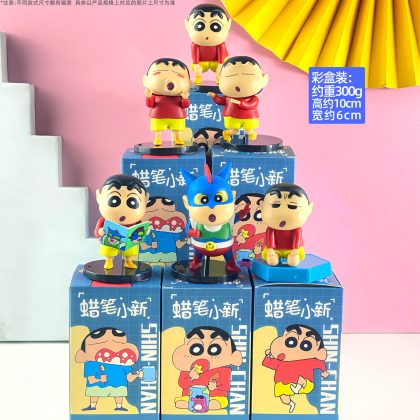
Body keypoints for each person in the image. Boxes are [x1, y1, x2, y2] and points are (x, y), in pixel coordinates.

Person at [263, 324, 330, 413]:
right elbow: (267, 363)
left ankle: (297, 387)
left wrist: (324, 372)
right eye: (291, 341)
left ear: (319, 352)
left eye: (306, 345)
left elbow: (320, 363)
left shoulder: (308, 361)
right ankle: (291, 403)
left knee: (301, 379)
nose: (296, 348)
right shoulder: (281, 362)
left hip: (305, 385)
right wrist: (268, 356)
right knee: (283, 397)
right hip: (283, 384)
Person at [173, 326, 243, 410]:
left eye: (215, 349)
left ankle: (211, 404)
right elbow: (182, 384)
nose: (204, 354)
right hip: (191, 396)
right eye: (195, 348)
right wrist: (190, 377)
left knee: (217, 402)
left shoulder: (224, 370)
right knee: (182, 401)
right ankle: (189, 403)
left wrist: (216, 386)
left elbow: (226, 386)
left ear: (233, 356)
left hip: (215, 397)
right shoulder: (187, 370)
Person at [75, 328, 144, 412]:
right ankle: (92, 406)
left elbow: (129, 378)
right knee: (94, 392)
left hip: (119, 387)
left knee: (118, 394)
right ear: (83, 355)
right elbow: (91, 380)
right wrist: (100, 379)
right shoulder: (91, 365)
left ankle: (119, 406)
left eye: (120, 344)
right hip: (98, 387)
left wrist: (137, 375)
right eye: (100, 344)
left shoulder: (124, 365)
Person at [208, 56, 268, 141]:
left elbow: (251, 105)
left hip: (248, 117)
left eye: (247, 75)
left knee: (249, 130)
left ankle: (251, 135)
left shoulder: (254, 99)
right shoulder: (228, 98)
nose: (238, 83)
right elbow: (221, 101)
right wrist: (214, 96)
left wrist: (240, 103)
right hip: (232, 116)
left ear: (264, 80)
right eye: (230, 76)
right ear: (219, 79)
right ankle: (226, 133)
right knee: (234, 131)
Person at [95, 174, 149, 270]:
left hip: (129, 241)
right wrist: (100, 231)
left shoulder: (136, 222)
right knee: (108, 250)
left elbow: (140, 230)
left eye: (132, 202)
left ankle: (128, 261)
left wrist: (145, 231)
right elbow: (97, 232)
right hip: (110, 240)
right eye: (114, 200)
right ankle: (108, 260)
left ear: (145, 200)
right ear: (99, 197)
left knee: (130, 250)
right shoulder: (104, 221)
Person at [260, 183, 313, 267]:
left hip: (292, 250)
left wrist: (295, 250)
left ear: (309, 209)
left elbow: (297, 238)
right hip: (275, 250)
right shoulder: (271, 229)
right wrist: (270, 250)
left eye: (293, 206)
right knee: (272, 262)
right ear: (262, 207)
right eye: (275, 205)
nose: (282, 213)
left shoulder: (297, 230)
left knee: (293, 262)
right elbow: (270, 239)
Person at [143, 58, 191, 146]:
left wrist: (185, 99)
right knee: (158, 128)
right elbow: (150, 104)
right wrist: (149, 97)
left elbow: (185, 105)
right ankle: (157, 138)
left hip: (177, 115)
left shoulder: (180, 96)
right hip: (158, 115)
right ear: (145, 81)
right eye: (159, 72)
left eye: (179, 75)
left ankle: (178, 138)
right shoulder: (155, 96)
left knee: (178, 128)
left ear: (189, 83)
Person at [185, 3, 231, 84]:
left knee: (225, 66)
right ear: (187, 25)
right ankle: (198, 77)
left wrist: (220, 64)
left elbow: (221, 53)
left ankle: (219, 78)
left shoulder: (221, 44)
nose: (207, 34)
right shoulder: (195, 44)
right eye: (199, 26)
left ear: (228, 25)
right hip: (202, 62)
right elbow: (195, 55)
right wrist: (196, 64)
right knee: (196, 68)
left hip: (217, 62)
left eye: (216, 26)